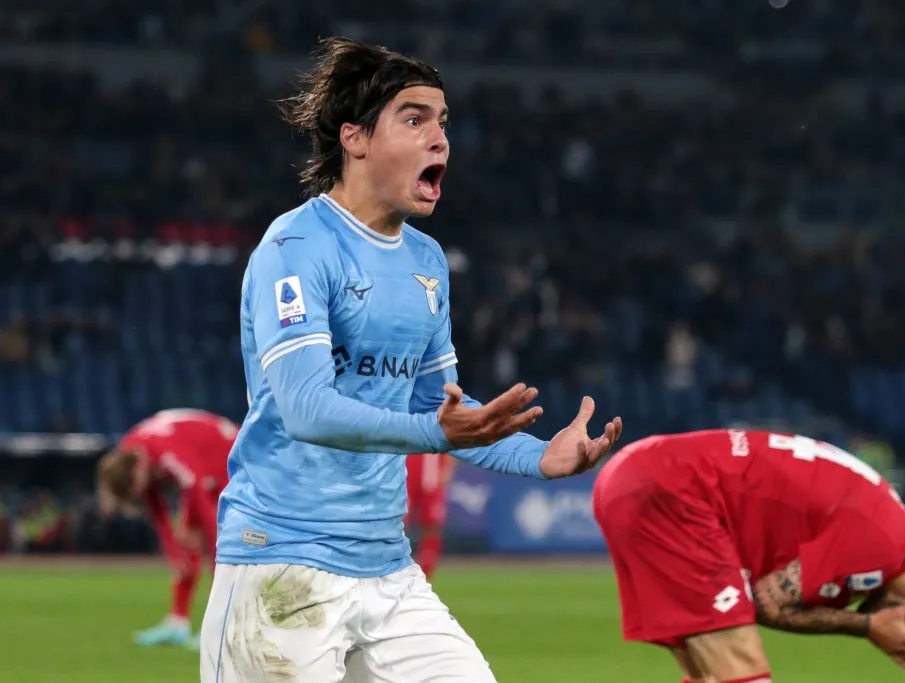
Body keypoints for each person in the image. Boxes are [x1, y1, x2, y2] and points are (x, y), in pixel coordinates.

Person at [198, 37, 622, 683]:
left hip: (386, 570)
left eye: (443, 121)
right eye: (415, 118)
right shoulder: (296, 246)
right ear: (355, 138)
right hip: (281, 565)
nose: (440, 139)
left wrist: (539, 457)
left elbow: (439, 407)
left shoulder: (426, 262)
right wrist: (435, 432)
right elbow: (307, 408)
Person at [593, 429, 905, 683]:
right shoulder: (881, 550)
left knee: (710, 674)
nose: (904, 657)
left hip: (645, 473)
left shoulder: (888, 532)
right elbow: (766, 602)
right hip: (672, 490)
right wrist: (868, 626)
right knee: (744, 670)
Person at [96, 408, 237, 649]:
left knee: (216, 544)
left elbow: (197, 493)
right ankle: (177, 622)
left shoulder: (162, 450)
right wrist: (174, 552)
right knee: (186, 544)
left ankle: (223, 628)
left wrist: (217, 555)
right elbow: (156, 507)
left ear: (135, 473)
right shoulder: (134, 452)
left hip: (226, 456)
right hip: (201, 470)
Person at [405, 452, 456, 580]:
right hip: (405, 474)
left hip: (431, 475)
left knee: (432, 525)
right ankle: (395, 570)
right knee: (398, 524)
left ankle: (425, 574)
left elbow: (450, 440)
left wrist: (447, 468)